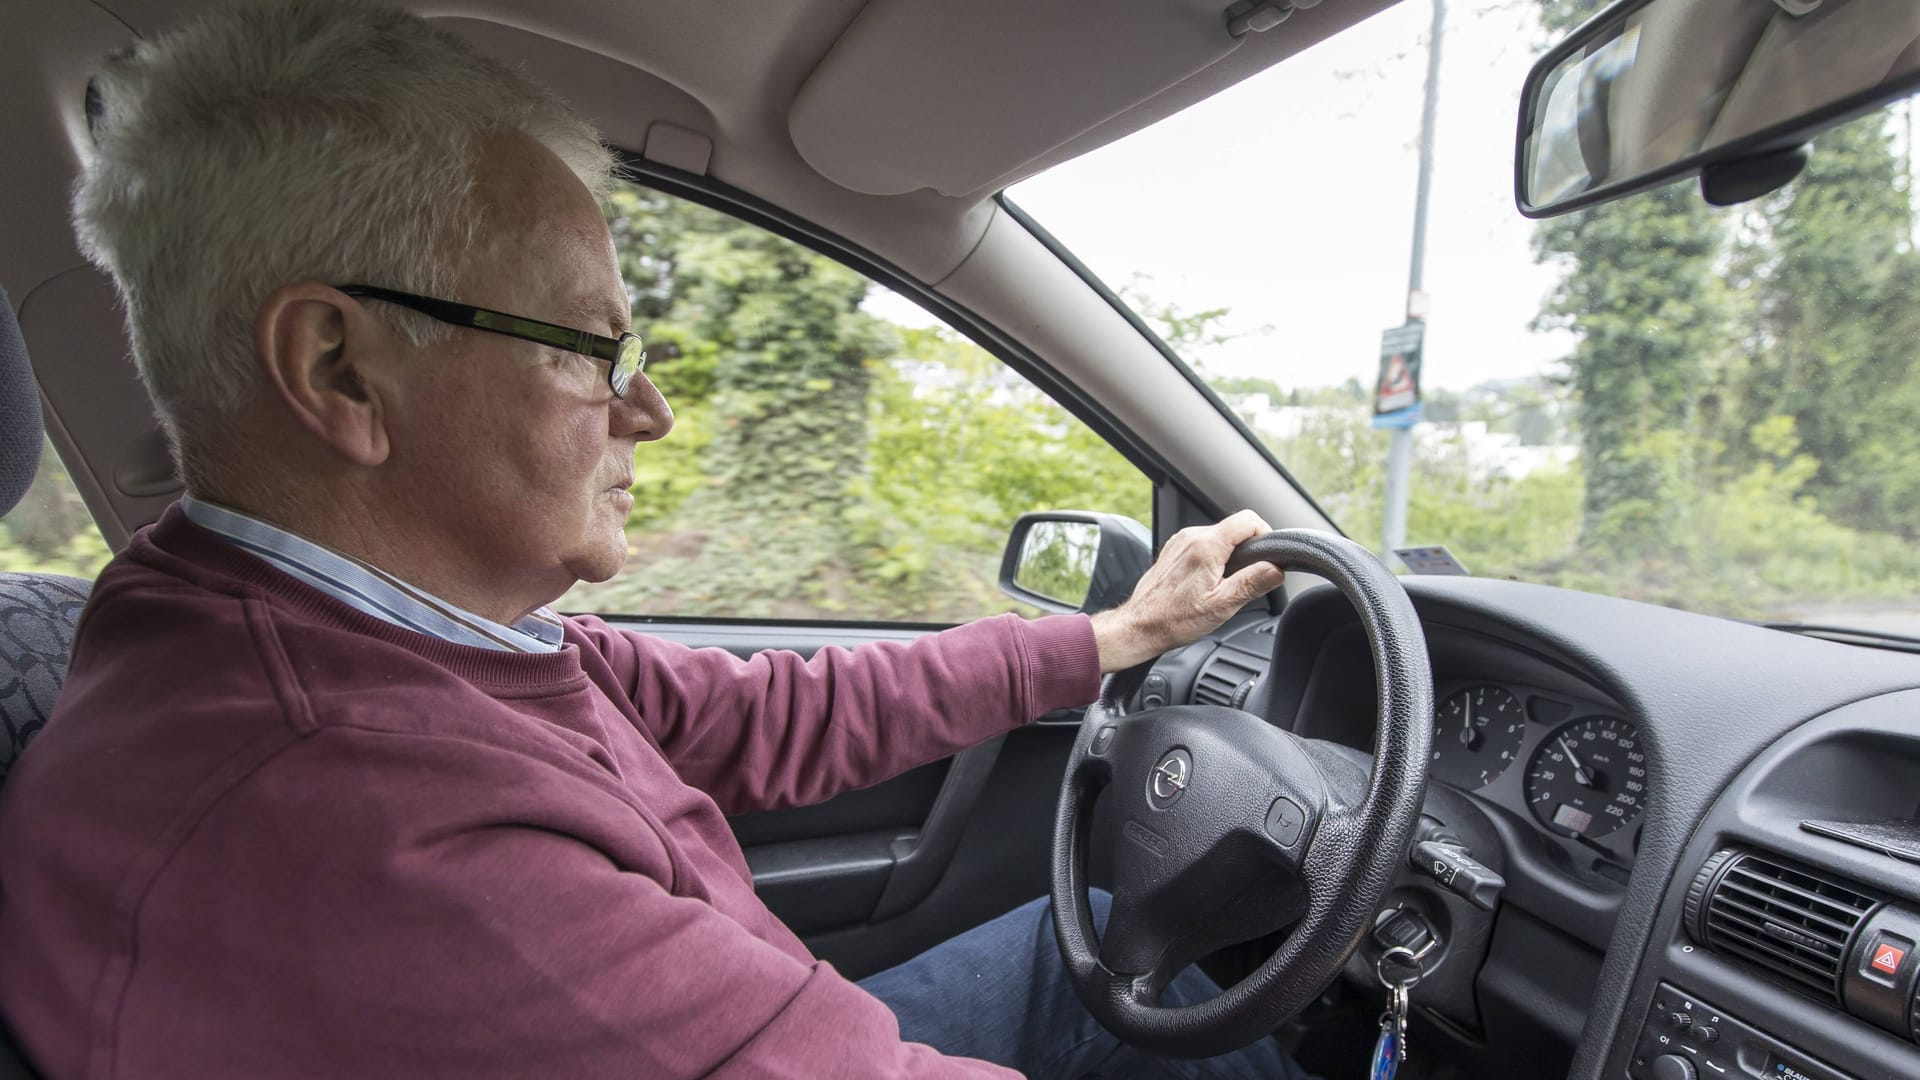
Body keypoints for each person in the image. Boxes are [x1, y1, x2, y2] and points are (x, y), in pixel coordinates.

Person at [0, 2, 1306, 1077]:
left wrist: (1115, 635)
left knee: (1087, 951)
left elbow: (760, 714)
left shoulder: (350, 628)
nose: (653, 409)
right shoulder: (368, 829)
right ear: (341, 369)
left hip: (758, 1009)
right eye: (590, 347)